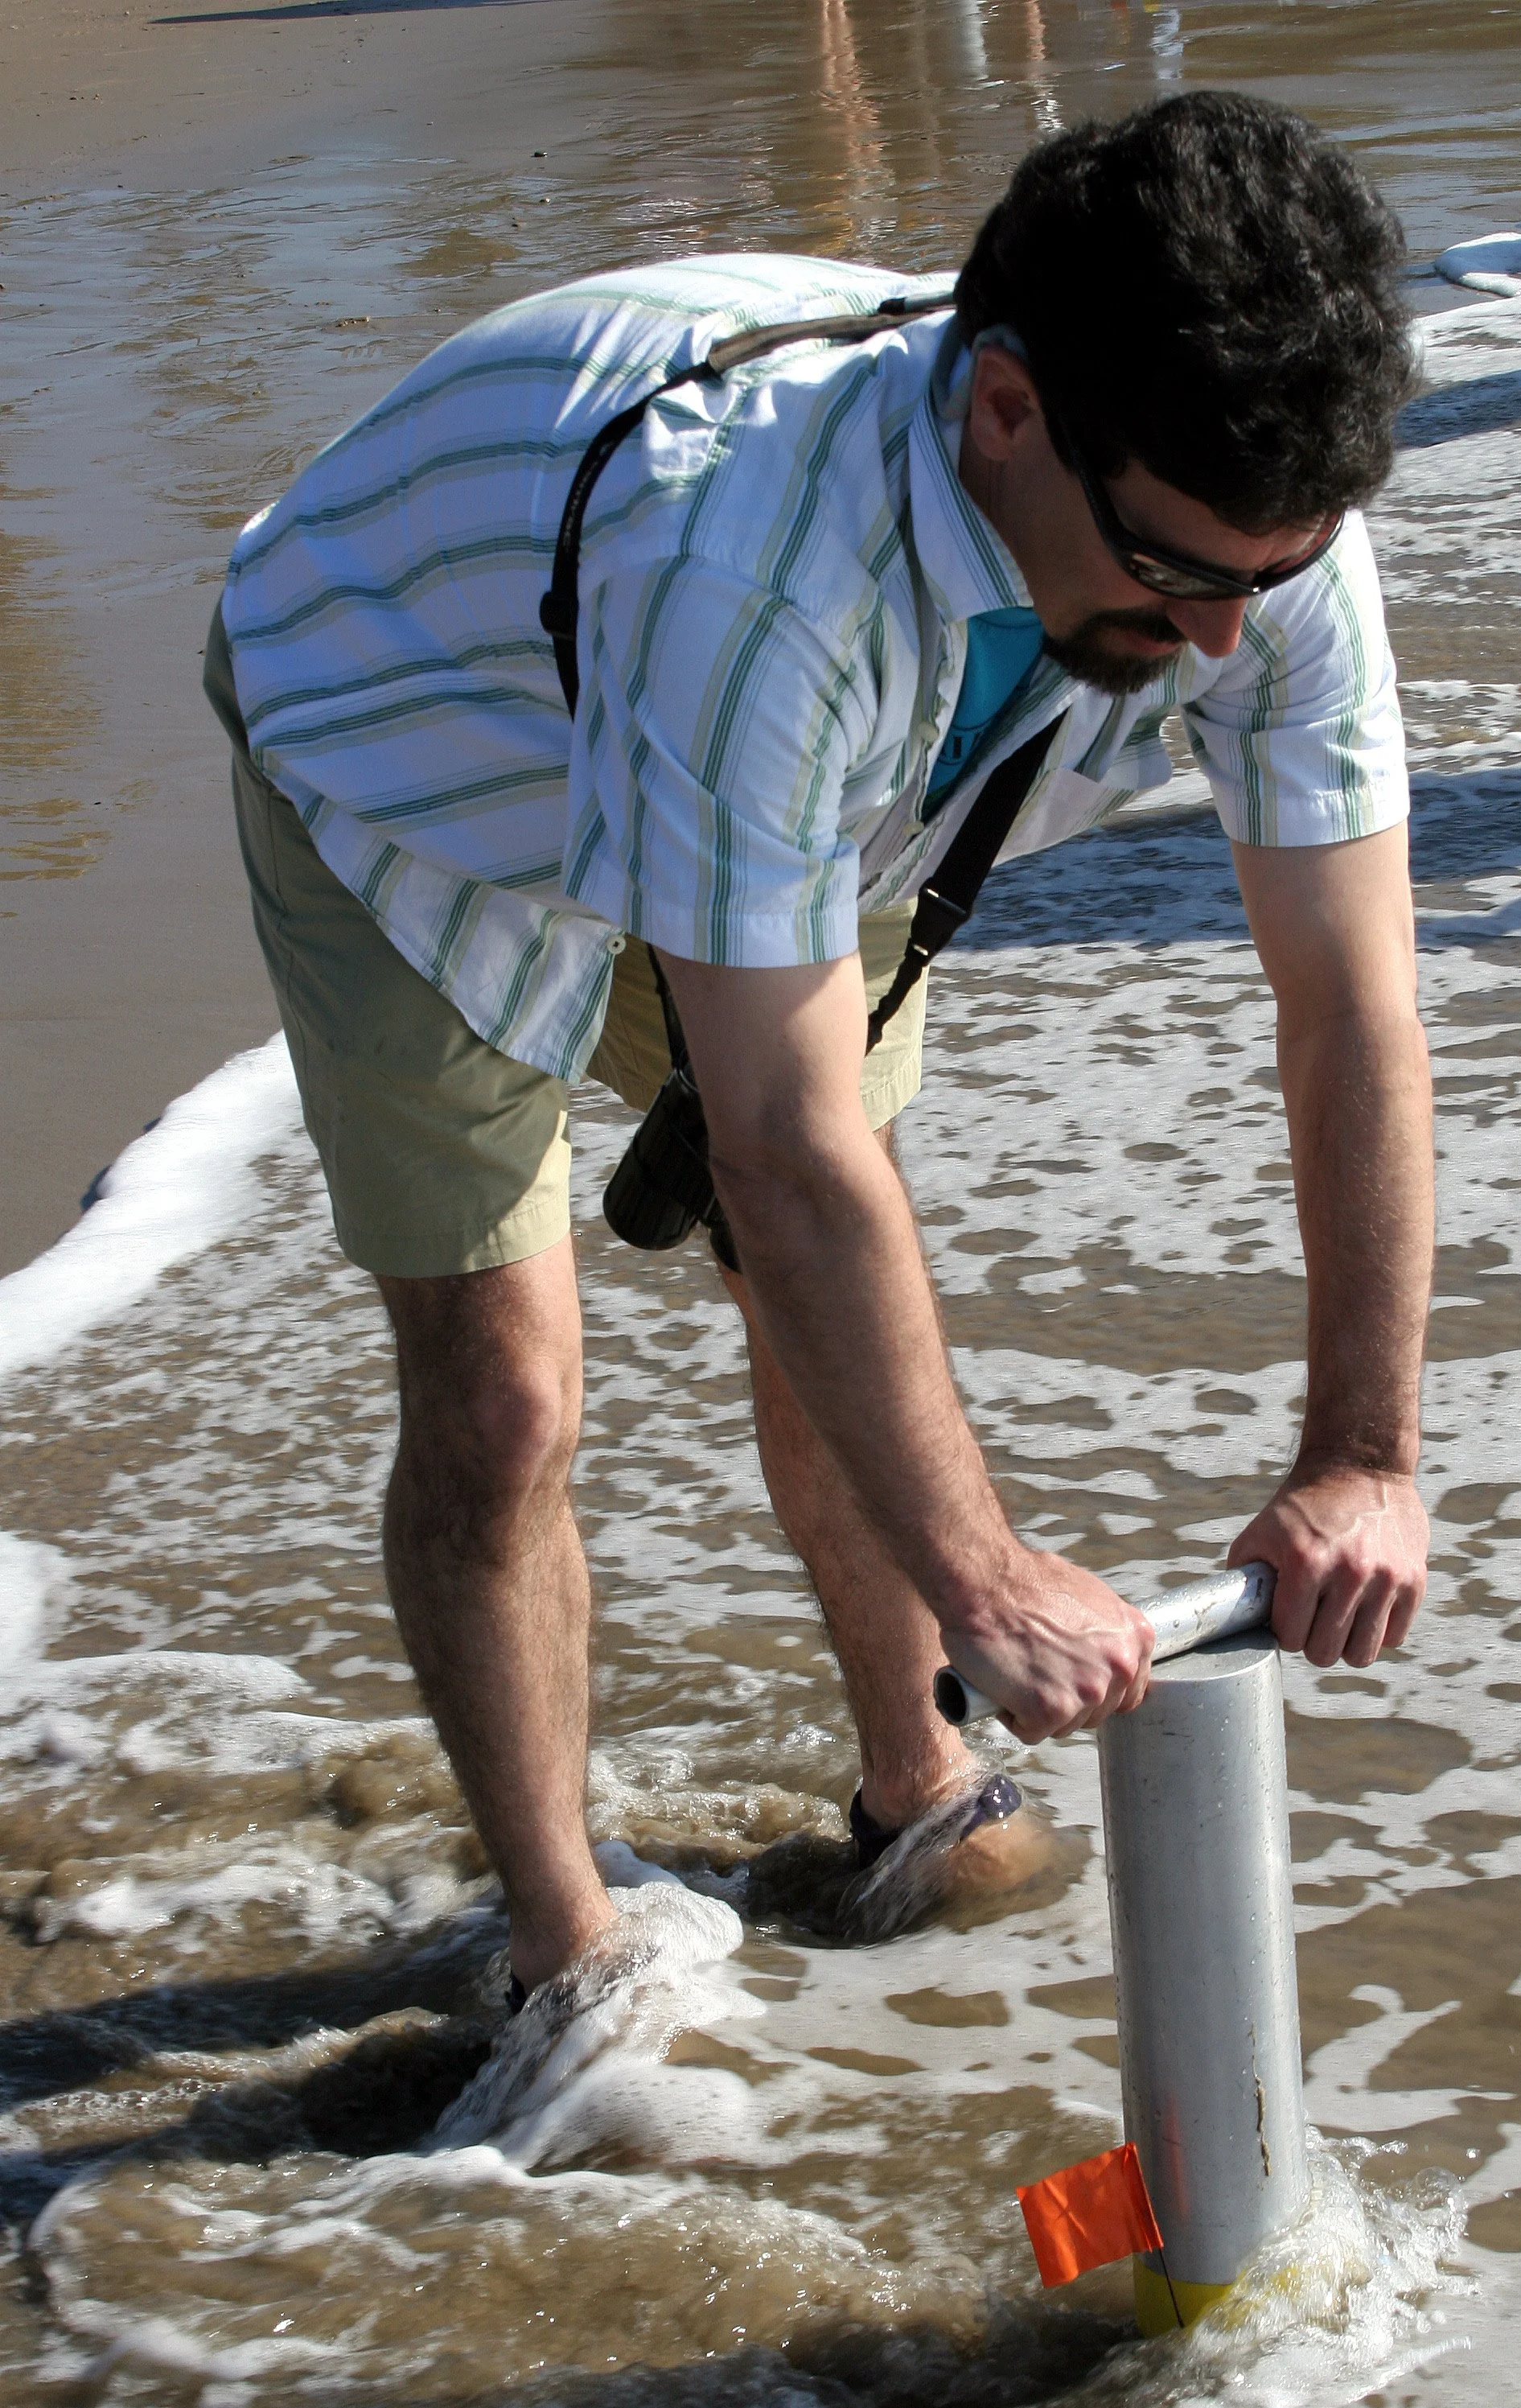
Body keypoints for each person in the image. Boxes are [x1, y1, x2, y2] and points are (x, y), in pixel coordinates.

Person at [205, 92, 1433, 2006]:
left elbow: (1348, 1007)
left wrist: (1360, 1454)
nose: (1219, 643)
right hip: (414, 759)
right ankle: (562, 1947)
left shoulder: (1245, 531)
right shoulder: (750, 575)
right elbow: (782, 1150)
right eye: (1178, 575)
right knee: (511, 1394)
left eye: (1265, 580)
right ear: (1006, 410)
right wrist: (992, 1576)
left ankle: (914, 1784)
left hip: (829, 783)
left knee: (825, 1300)